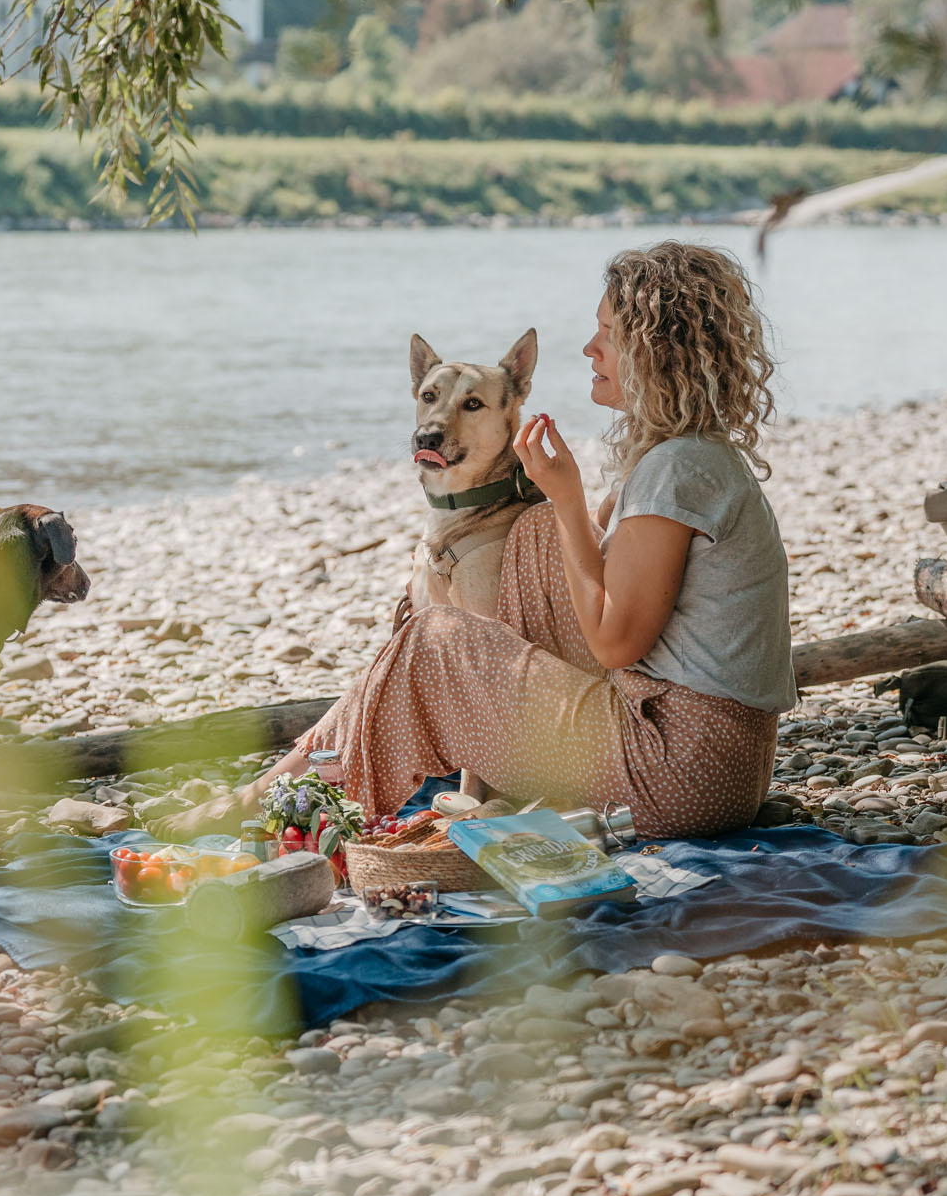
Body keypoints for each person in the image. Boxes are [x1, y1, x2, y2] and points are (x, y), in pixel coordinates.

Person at [238, 240, 799, 838]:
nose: (589, 347)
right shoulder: (689, 458)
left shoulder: (678, 471)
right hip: (714, 764)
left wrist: (566, 496)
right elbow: (592, 566)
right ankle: (311, 782)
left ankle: (274, 802)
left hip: (675, 770)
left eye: (607, 331)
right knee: (528, 536)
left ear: (655, 350)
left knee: (432, 639)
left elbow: (614, 643)